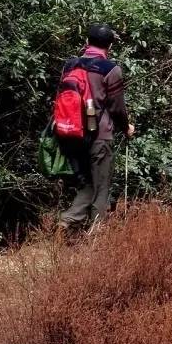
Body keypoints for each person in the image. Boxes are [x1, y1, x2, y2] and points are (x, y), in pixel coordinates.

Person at [57, 23, 134, 230]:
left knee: (87, 184)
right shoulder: (111, 69)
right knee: (101, 187)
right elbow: (117, 107)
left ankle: (68, 221)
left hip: (69, 133)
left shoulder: (70, 65)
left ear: (86, 42)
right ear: (109, 45)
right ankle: (95, 236)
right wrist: (126, 128)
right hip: (99, 135)